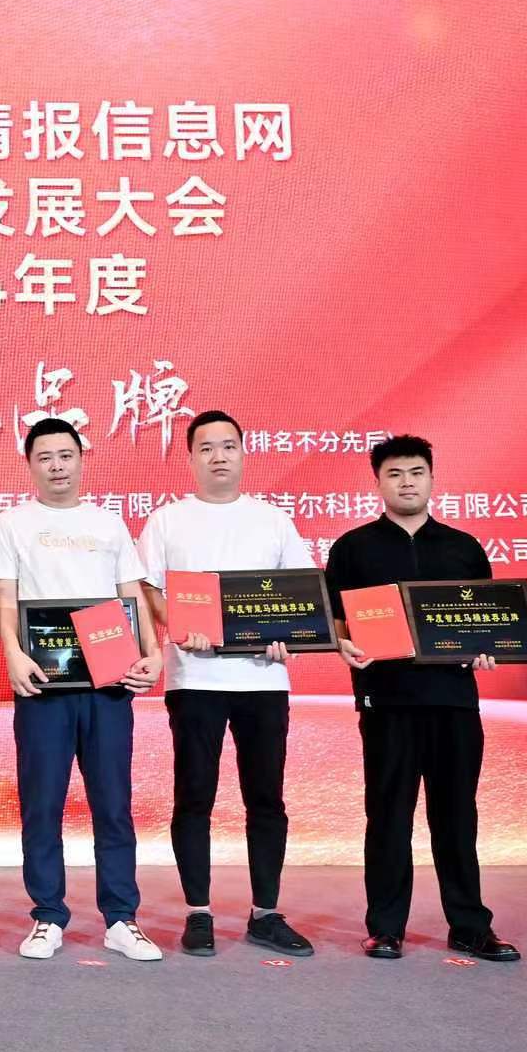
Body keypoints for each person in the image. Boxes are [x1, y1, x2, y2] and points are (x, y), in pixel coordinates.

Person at [325, 435, 519, 962]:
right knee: (388, 815)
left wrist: (486, 650)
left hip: (453, 700)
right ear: (378, 483)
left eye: (416, 472)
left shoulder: (463, 547)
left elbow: (486, 621)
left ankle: (470, 926)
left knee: (457, 815)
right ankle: (386, 927)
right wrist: (343, 645)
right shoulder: (353, 548)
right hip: (386, 700)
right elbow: (336, 620)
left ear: (432, 479)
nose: (406, 482)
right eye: (395, 474)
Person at [138, 410, 316, 958]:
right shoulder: (167, 521)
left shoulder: (272, 521)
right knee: (195, 796)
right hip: (195, 679)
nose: (219, 456)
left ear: (243, 452)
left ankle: (266, 913)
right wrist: (178, 625)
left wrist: (287, 635)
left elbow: (301, 594)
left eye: (228, 446)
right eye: (207, 448)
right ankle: (199, 912)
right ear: (191, 458)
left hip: (264, 681)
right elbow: (148, 591)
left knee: (266, 799)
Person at [0, 419, 164, 963]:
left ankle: (121, 918)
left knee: (113, 803)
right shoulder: (12, 523)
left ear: (81, 459)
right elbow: (5, 597)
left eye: (65, 455)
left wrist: (153, 651)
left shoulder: (107, 524)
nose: (57, 466)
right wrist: (12, 653)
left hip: (108, 680)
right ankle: (47, 915)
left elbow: (130, 594)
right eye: (45, 457)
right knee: (42, 803)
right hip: (44, 683)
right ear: (30, 465)